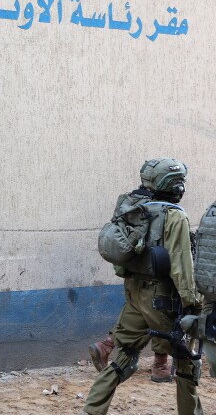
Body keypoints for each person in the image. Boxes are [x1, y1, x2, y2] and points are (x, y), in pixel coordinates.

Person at [84, 158, 202, 415]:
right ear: (174, 186)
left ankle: (91, 411)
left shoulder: (135, 208)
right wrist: (192, 304)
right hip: (162, 298)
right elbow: (182, 266)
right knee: (187, 364)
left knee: (123, 358)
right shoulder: (174, 215)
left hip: (134, 294)